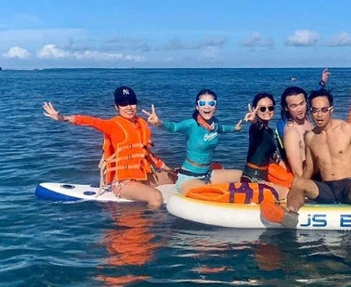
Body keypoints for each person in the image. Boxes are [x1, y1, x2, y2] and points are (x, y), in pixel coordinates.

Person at [263, 89, 351, 247]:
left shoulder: (346, 129)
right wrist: (297, 189)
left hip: (349, 185)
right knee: (298, 181)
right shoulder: (310, 137)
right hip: (327, 188)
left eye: (324, 110)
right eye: (315, 110)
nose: (319, 115)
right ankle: (290, 215)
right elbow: (309, 169)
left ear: (331, 109)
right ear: (311, 111)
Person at [42, 86, 173, 207]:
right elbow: (90, 121)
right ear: (117, 107)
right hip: (122, 183)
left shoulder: (142, 124)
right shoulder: (113, 125)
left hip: (142, 176)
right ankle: (154, 229)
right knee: (156, 197)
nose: (129, 107)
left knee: (177, 175)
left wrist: (166, 168)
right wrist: (63, 118)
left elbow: (146, 153)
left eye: (132, 102)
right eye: (123, 104)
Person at [144, 89, 244, 194]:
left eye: (211, 103)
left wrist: (234, 128)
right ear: (197, 107)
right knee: (211, 193)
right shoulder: (191, 124)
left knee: (242, 176)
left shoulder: (215, 123)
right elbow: (174, 127)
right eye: (202, 103)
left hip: (208, 174)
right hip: (188, 178)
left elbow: (222, 129)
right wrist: (159, 123)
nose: (207, 106)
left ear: (216, 106)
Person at [241, 93, 289, 195]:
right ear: (255, 109)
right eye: (262, 109)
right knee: (286, 194)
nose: (267, 111)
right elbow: (257, 127)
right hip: (251, 178)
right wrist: (254, 120)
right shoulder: (256, 128)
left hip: (263, 176)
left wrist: (291, 173)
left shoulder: (270, 132)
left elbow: (275, 156)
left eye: (270, 108)